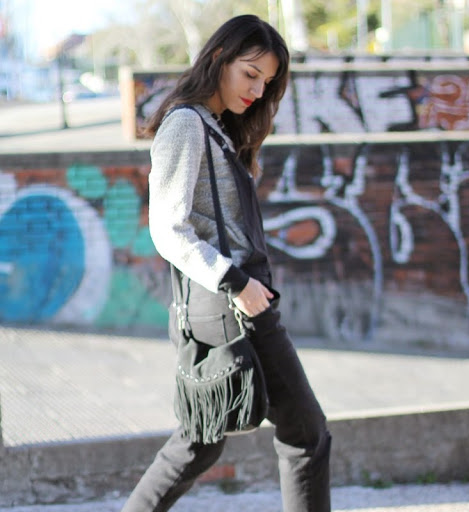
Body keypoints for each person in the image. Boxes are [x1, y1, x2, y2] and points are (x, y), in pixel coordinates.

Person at [121, 14, 331, 512]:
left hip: (232, 303)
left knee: (200, 441)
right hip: (237, 305)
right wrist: (237, 282)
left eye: (267, 82)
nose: (257, 91)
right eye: (250, 74)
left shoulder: (214, 127)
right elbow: (167, 228)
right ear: (219, 57)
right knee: (305, 432)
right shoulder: (186, 124)